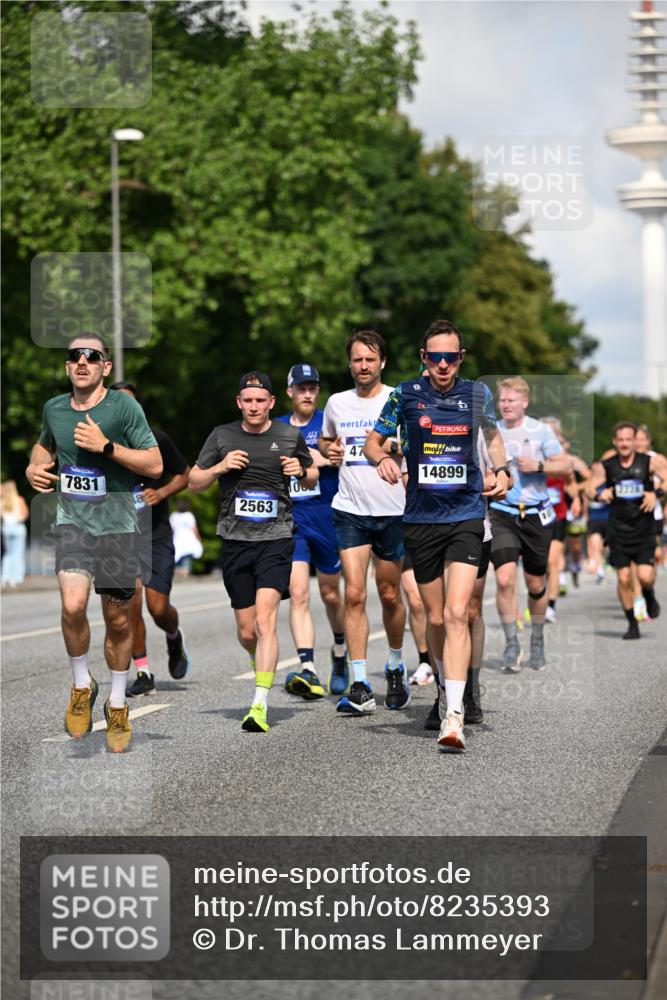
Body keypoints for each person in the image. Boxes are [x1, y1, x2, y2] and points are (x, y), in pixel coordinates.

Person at [365, 319, 512, 752]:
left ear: (461, 358)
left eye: (451, 357)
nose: (443, 365)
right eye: (435, 357)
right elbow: (374, 442)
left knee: (457, 612)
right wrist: (381, 459)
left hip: (466, 514)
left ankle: (455, 714)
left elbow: (493, 438)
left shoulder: (477, 394)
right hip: (421, 518)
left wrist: (503, 471)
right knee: (433, 618)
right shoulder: (404, 395)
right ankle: (445, 691)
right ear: (423, 358)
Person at [25, 334, 162, 753]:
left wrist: (107, 447)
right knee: (71, 606)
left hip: (118, 527)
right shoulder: (55, 408)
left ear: (106, 366)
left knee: (118, 620)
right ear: (67, 365)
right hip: (73, 523)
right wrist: (33, 467)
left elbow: (154, 464)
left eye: (92, 356)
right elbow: (44, 446)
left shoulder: (124, 408)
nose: (82, 361)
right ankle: (82, 684)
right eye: (74, 356)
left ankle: (117, 703)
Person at [189, 371, 316, 732]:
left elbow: (311, 475)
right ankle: (256, 657)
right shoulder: (222, 435)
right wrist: (220, 467)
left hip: (276, 539)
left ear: (272, 402)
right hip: (235, 541)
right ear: (239, 402)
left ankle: (259, 703)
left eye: (261, 400)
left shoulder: (288, 435)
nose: (255, 406)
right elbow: (194, 482)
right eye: (248, 400)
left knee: (265, 620)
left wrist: (300, 470)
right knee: (247, 631)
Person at [319, 331, 408, 716]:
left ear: (382, 362)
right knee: (354, 594)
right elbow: (325, 441)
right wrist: (330, 450)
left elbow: (416, 445)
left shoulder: (398, 400)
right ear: (349, 364)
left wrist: (391, 448)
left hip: (392, 509)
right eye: (357, 360)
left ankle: (395, 665)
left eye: (370, 359)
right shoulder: (337, 402)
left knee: (389, 594)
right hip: (350, 509)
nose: (363, 366)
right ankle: (359, 683)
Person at [109, 382, 191, 696]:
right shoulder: (102, 445)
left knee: (158, 609)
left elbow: (184, 474)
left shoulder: (157, 440)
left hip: (156, 536)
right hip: (121, 537)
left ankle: (174, 636)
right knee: (131, 604)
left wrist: (161, 492)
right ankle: (143, 672)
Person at [489, 377, 571, 673]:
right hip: (502, 512)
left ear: (524, 402)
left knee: (536, 584)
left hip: (536, 514)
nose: (506, 405)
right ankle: (512, 643)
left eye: (511, 400)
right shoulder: (491, 430)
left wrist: (539, 466)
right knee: (504, 579)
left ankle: (537, 639)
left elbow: (565, 465)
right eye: (502, 400)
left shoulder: (540, 430)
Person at [276, 364, 348, 701]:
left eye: (312, 388)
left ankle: (340, 650)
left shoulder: (328, 423)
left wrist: (318, 459)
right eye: (301, 388)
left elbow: (343, 457)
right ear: (289, 391)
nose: (307, 394)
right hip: (293, 520)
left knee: (331, 594)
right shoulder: (276, 427)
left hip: (327, 516)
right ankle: (308, 667)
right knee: (298, 593)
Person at [587, 422, 667, 639]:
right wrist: (599, 495)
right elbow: (589, 488)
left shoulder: (649, 462)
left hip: (643, 528)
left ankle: (649, 595)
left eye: (628, 439)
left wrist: (656, 494)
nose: (624, 443)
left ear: (634, 441)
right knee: (623, 578)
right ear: (615, 441)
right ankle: (632, 624)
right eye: (620, 440)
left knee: (645, 577)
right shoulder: (607, 465)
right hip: (618, 529)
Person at [1, 480, 29, 587]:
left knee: (8, 553)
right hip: (18, 527)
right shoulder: (19, 500)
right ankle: (16, 578)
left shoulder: (2, 501)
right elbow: (25, 515)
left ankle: (5, 577)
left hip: (6, 528)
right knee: (17, 553)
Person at [170, 499, 202, 577]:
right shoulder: (189, 515)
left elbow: (171, 529)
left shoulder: (174, 516)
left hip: (177, 539)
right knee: (186, 557)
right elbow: (194, 528)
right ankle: (184, 571)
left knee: (178, 557)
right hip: (188, 539)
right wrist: (198, 538)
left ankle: (179, 571)